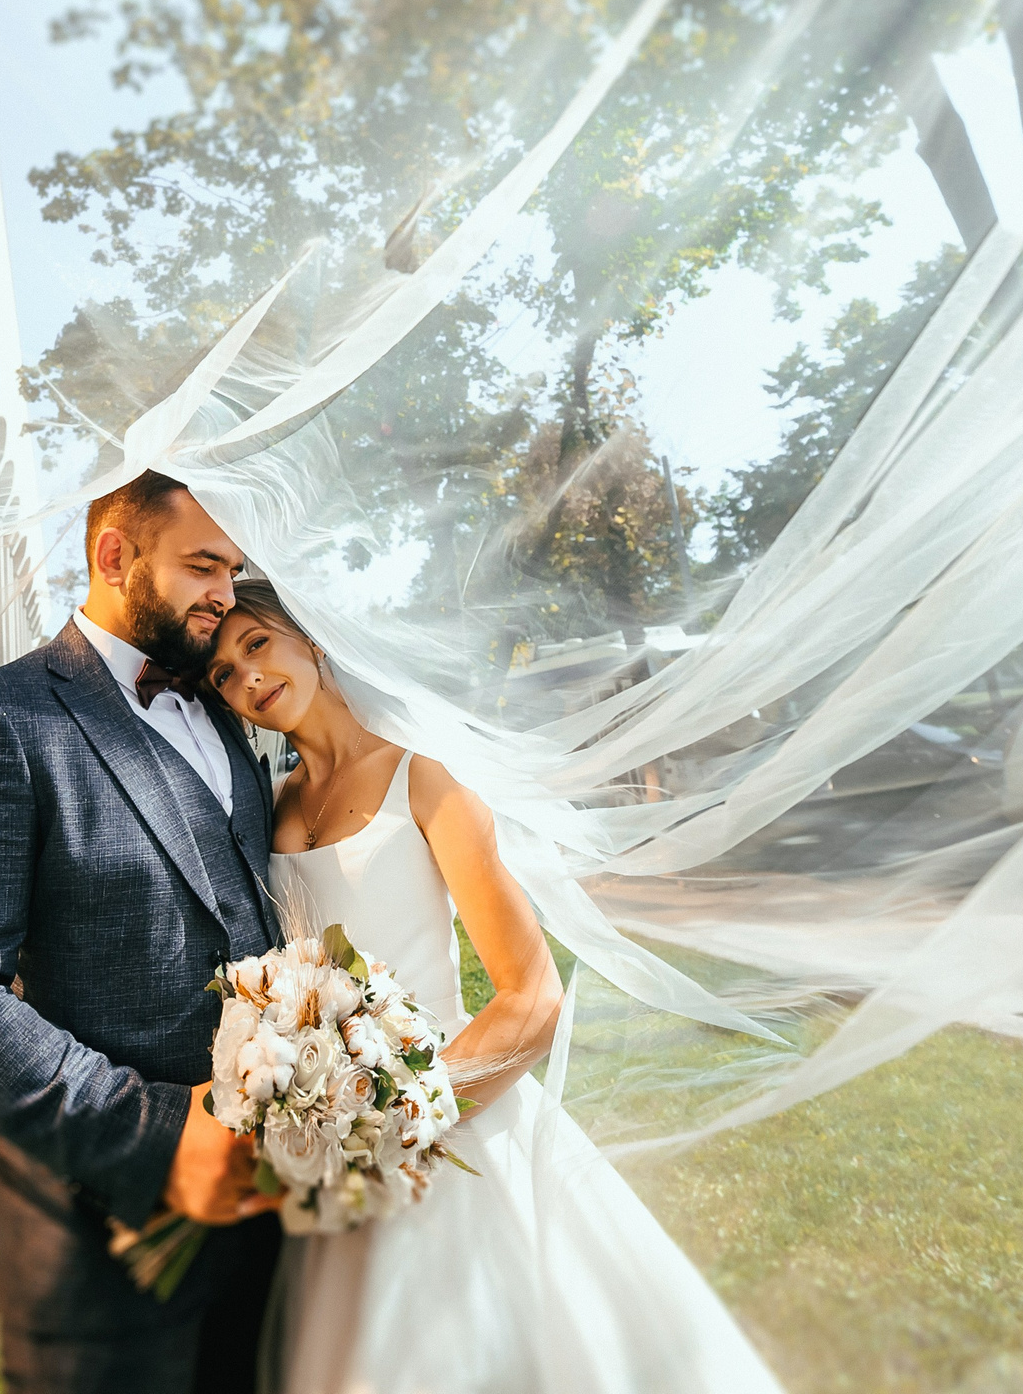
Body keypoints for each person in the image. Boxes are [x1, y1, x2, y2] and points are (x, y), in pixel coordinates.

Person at [205, 579, 787, 1393]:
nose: (247, 677)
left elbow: (532, 997)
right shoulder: (263, 809)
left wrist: (397, 1125)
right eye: (224, 673)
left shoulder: (425, 777)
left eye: (257, 644)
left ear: (312, 637)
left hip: (449, 1118)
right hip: (333, 1149)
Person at [0, 471, 283, 1394]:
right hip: (96, 1256)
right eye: (202, 565)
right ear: (115, 556)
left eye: (232, 570)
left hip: (264, 1237)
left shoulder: (227, 706)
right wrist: (161, 1140)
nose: (224, 593)